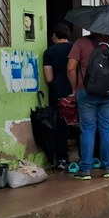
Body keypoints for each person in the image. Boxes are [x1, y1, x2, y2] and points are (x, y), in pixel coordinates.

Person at [67, 32, 109, 180]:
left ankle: (85, 169)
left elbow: (70, 68)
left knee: (88, 130)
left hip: (87, 92)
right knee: (107, 130)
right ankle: (108, 167)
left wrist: (75, 88)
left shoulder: (81, 42)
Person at [42, 23, 73, 170]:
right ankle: (86, 158)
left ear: (54, 35)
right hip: (77, 91)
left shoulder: (49, 52)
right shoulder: (76, 48)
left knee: (61, 127)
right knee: (83, 124)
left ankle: (62, 159)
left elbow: (48, 78)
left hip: (58, 93)